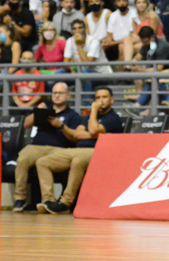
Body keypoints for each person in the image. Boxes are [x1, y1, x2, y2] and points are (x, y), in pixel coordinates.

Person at [35, 86, 123, 215]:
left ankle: (65, 203)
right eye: (97, 98)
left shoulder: (113, 118)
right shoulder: (88, 118)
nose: (100, 101)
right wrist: (96, 134)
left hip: (98, 151)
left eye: (104, 97)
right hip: (77, 149)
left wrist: (93, 111)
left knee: (78, 161)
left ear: (111, 100)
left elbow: (93, 130)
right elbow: (77, 134)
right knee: (43, 162)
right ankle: (49, 201)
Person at [12, 82, 86, 212]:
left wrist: (61, 126)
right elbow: (26, 125)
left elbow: (75, 138)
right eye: (54, 93)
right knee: (23, 158)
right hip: (37, 146)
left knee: (43, 163)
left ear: (68, 95)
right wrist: (37, 112)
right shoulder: (45, 110)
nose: (57, 96)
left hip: (59, 149)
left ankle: (48, 201)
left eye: (60, 93)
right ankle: (20, 199)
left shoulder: (73, 115)